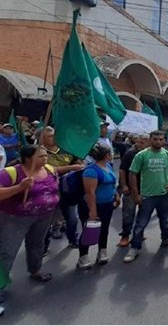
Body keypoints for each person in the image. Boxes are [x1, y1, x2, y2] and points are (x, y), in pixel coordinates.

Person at [0, 145, 59, 303]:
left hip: (44, 216)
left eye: (45, 155)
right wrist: (20, 187)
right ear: (27, 158)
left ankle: (35, 270)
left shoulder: (49, 169)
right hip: (15, 219)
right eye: (40, 156)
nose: (45, 158)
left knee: (36, 244)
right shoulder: (10, 172)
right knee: (7, 251)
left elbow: (54, 188)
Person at [123, 131, 168, 263]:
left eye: (161, 139)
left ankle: (166, 238)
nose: (158, 142)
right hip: (147, 196)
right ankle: (135, 247)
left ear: (164, 141)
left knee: (164, 220)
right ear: (150, 140)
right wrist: (135, 194)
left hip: (163, 195)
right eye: (155, 139)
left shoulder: (167, 154)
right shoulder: (142, 155)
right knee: (141, 223)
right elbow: (132, 174)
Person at [39, 126, 84, 249]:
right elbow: (47, 170)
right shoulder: (40, 153)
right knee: (46, 220)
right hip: (47, 189)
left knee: (72, 218)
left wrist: (78, 165)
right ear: (42, 138)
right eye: (49, 136)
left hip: (67, 189)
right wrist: (70, 168)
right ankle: (44, 245)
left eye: (54, 135)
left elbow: (79, 164)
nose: (53, 138)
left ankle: (73, 239)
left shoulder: (67, 149)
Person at [76, 144, 119, 269]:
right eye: (110, 153)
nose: (112, 155)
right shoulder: (91, 171)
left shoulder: (108, 166)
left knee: (104, 229)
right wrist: (92, 211)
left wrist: (115, 195)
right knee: (88, 230)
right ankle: (83, 256)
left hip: (107, 205)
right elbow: (90, 193)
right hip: (92, 206)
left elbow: (111, 183)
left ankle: (102, 251)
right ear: (106, 155)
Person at [117, 134, 149, 247]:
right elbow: (122, 170)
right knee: (128, 214)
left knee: (143, 214)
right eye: (138, 141)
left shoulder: (150, 154)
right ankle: (125, 235)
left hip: (146, 189)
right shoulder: (130, 153)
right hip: (130, 190)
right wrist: (124, 185)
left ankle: (139, 233)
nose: (138, 144)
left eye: (142, 142)